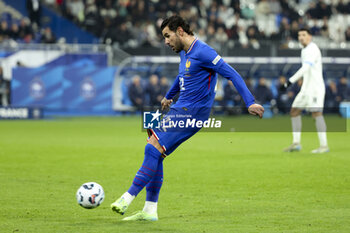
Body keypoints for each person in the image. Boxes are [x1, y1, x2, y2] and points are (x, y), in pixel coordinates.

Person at [110, 15, 264, 221]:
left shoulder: (204, 52)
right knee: (155, 151)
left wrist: (250, 102)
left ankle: (126, 198)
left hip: (193, 113)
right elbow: (181, 76)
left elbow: (232, 74)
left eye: (167, 36)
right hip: (180, 108)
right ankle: (149, 211)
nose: (165, 41)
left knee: (152, 147)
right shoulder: (184, 52)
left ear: (180, 31)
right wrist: (169, 95)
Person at [281, 28, 329, 153]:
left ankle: (324, 146)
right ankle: (296, 143)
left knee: (316, 113)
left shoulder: (313, 49)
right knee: (294, 111)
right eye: (299, 35)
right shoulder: (304, 50)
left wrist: (289, 82)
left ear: (310, 37)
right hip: (306, 89)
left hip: (315, 89)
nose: (301, 37)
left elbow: (306, 68)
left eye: (304, 35)